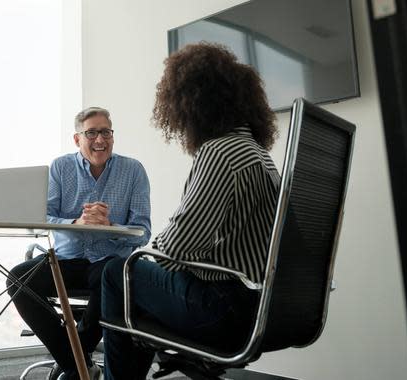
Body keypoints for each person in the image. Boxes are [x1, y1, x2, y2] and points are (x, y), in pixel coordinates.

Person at [101, 43, 280, 380]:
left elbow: (177, 247)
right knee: (138, 289)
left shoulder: (220, 152)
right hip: (263, 308)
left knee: (119, 272)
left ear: (192, 103)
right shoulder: (257, 154)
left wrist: (152, 252)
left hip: (225, 309)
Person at [7, 106, 151, 380]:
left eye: (106, 132)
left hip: (109, 260)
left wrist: (110, 226)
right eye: (92, 133)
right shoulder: (61, 167)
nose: (100, 139)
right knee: (17, 280)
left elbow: (143, 231)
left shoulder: (133, 171)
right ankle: (78, 362)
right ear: (77, 139)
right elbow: (42, 216)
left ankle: (75, 362)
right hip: (66, 259)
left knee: (111, 279)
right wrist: (76, 224)